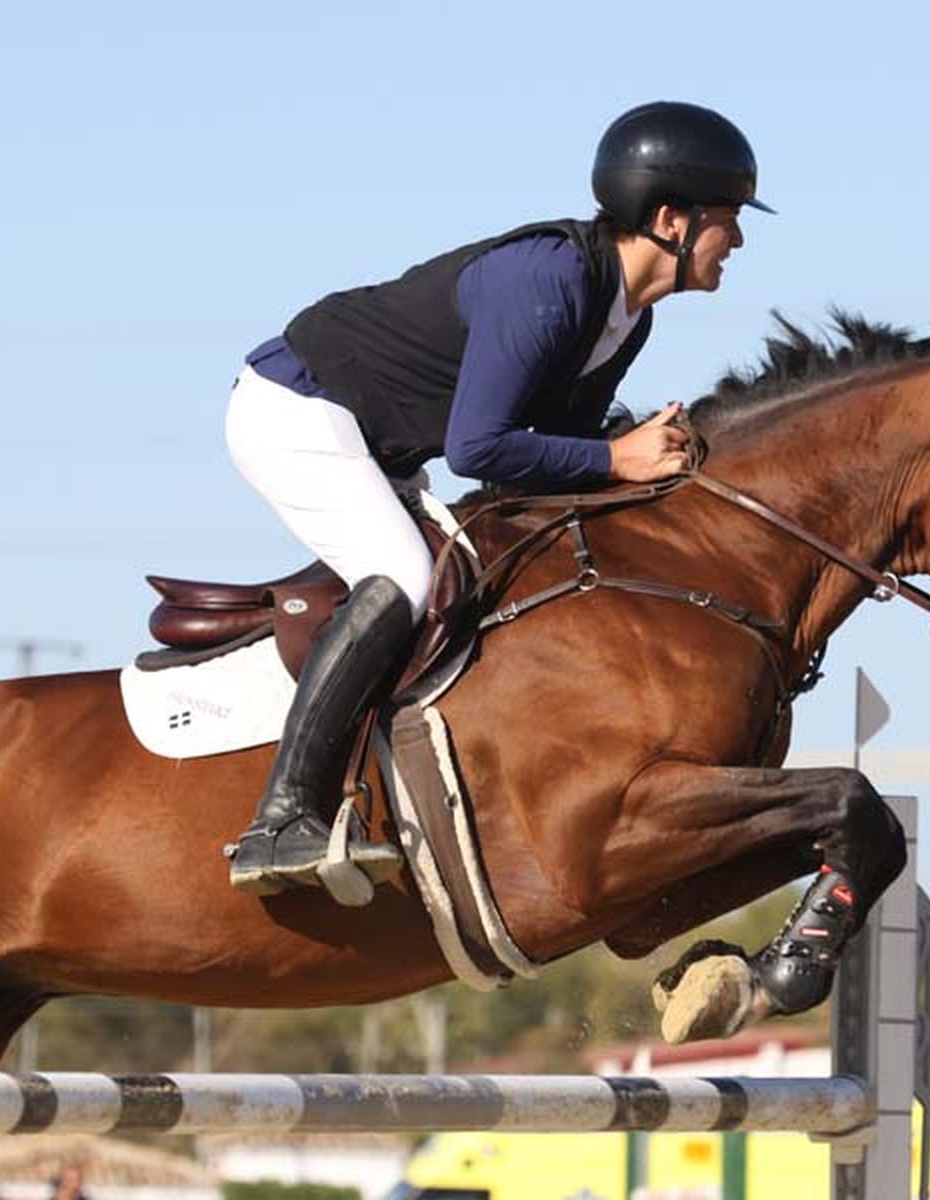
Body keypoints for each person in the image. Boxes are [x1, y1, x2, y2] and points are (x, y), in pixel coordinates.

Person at [224, 100, 772, 900]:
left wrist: (634, 454)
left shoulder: (628, 320)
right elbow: (482, 448)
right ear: (669, 219)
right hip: (297, 408)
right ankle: (280, 822)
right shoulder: (547, 281)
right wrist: (619, 456)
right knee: (406, 578)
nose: (740, 241)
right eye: (729, 220)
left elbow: (536, 470)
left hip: (382, 441)